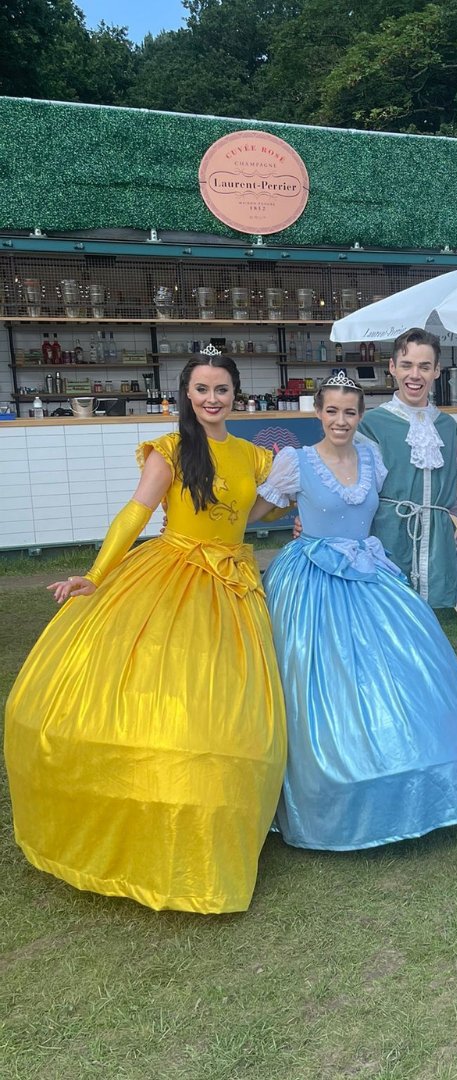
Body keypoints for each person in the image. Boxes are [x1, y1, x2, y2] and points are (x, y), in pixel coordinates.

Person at [4, 348, 286, 914]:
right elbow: (135, 514)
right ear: (188, 394)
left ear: (238, 396)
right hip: (174, 575)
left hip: (231, 583)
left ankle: (220, 809)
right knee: (170, 685)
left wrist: (294, 502)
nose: (212, 398)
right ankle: (154, 812)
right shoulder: (171, 450)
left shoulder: (256, 456)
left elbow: (255, 513)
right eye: (202, 389)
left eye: (222, 389)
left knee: (227, 699)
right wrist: (96, 574)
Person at [250, 373, 457, 850]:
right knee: (320, 680)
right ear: (317, 412)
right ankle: (330, 784)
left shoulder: (371, 456)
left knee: (406, 669)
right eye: (333, 411)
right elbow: (255, 513)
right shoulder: (294, 462)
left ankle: (406, 775)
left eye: (350, 412)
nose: (341, 420)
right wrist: (289, 517)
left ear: (361, 416)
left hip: (370, 572)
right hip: (312, 579)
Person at [358, 328, 457, 607]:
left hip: (437, 540)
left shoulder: (448, 427)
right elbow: (355, 488)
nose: (415, 375)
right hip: (389, 534)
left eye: (424, 366)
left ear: (437, 370)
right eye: (406, 365)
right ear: (392, 367)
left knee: (431, 625)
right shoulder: (372, 424)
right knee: (390, 616)